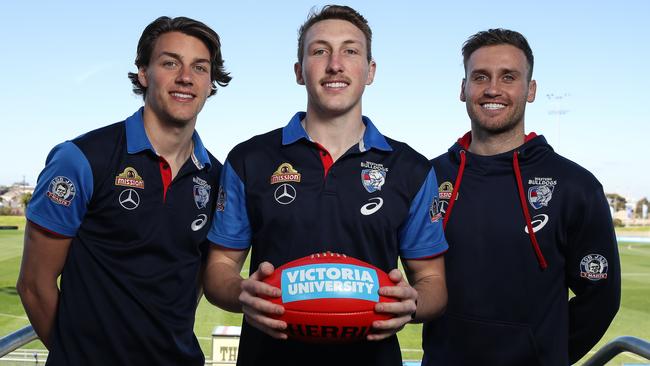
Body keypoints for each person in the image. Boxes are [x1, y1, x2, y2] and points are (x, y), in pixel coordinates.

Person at [202, 5, 448, 366]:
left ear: (370, 70)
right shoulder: (249, 159)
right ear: (300, 71)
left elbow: (432, 281)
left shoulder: (410, 168)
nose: (335, 64)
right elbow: (219, 267)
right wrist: (243, 292)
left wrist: (413, 303)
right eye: (319, 51)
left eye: (350, 50)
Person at [16, 16, 231, 366]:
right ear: (144, 73)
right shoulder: (81, 159)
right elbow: (34, 285)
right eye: (169, 63)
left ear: (210, 84)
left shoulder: (218, 177)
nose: (185, 78)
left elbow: (193, 286)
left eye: (200, 68)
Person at [423, 28, 621, 366]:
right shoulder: (428, 178)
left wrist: (545, 354)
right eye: (480, 76)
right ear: (463, 89)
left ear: (530, 90)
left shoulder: (575, 185)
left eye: (508, 77)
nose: (493, 89)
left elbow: (600, 298)